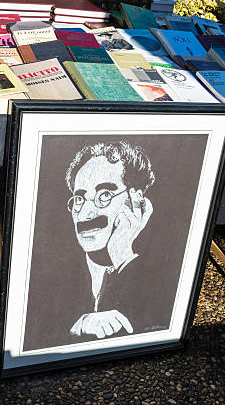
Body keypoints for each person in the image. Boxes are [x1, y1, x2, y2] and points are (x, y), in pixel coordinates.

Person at [64, 141, 158, 340]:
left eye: (104, 195)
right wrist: (79, 328)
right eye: (79, 199)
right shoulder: (50, 273)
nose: (85, 214)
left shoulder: (159, 273)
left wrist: (122, 254)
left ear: (135, 201)